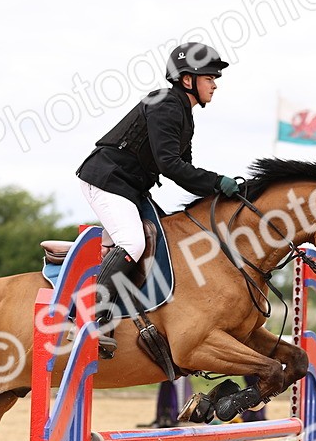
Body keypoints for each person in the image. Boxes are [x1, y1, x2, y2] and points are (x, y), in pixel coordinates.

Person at [76, 42, 241, 359]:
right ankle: (90, 318)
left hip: (130, 187)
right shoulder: (166, 103)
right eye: (210, 77)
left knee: (167, 239)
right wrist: (217, 182)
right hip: (107, 180)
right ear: (188, 79)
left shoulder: (183, 113)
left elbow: (185, 170)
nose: (215, 84)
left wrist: (221, 192)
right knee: (133, 243)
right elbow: (170, 165)